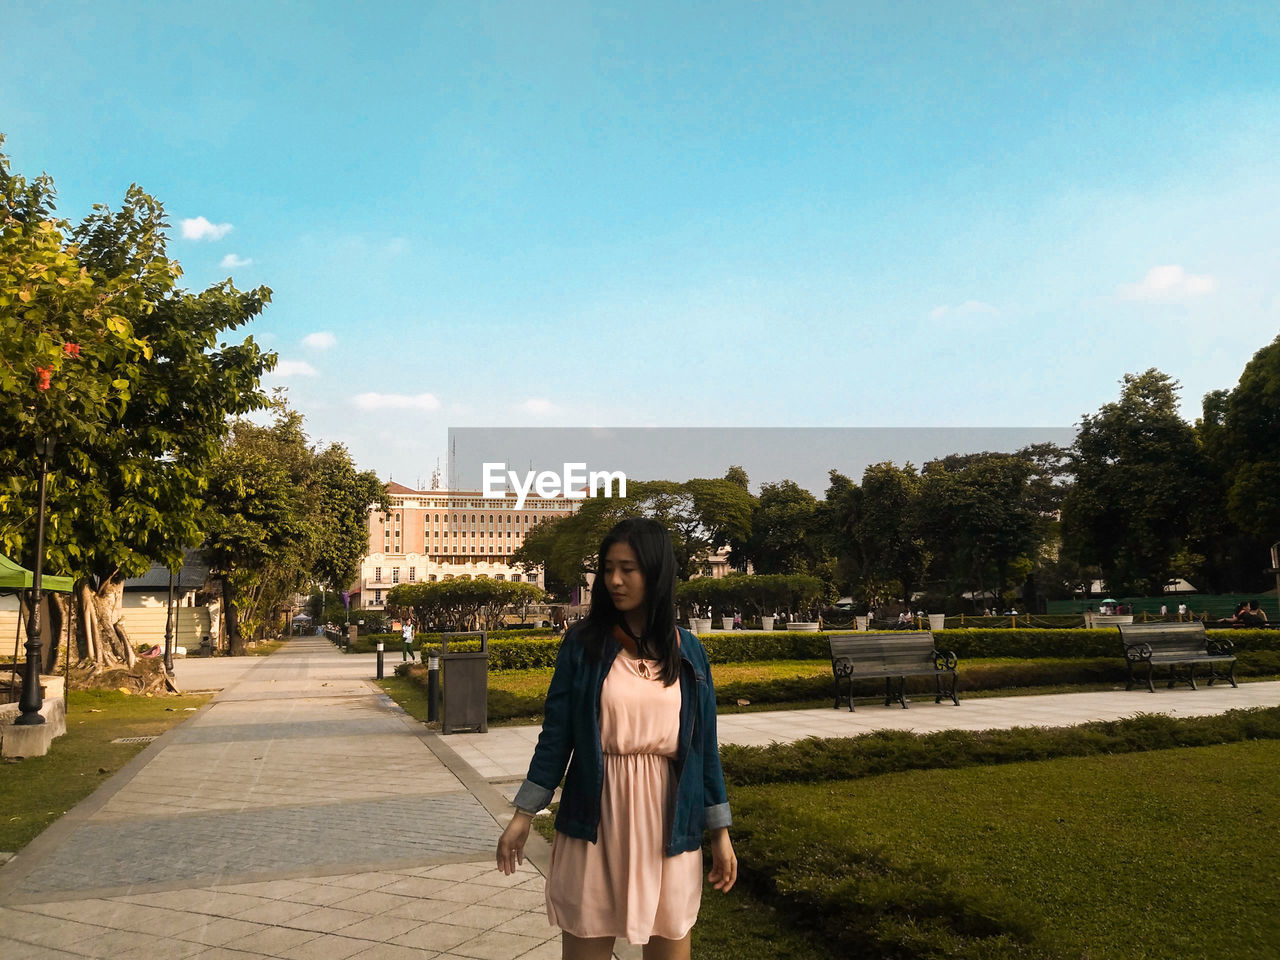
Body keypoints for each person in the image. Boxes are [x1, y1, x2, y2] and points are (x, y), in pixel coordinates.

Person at [496, 517, 736, 959]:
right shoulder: (584, 645)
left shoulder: (689, 652)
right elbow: (556, 736)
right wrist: (524, 813)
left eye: (628, 568)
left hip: (669, 819)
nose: (614, 580)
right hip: (597, 816)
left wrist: (719, 831)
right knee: (587, 937)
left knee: (670, 942)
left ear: (657, 572)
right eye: (608, 568)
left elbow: (705, 750)